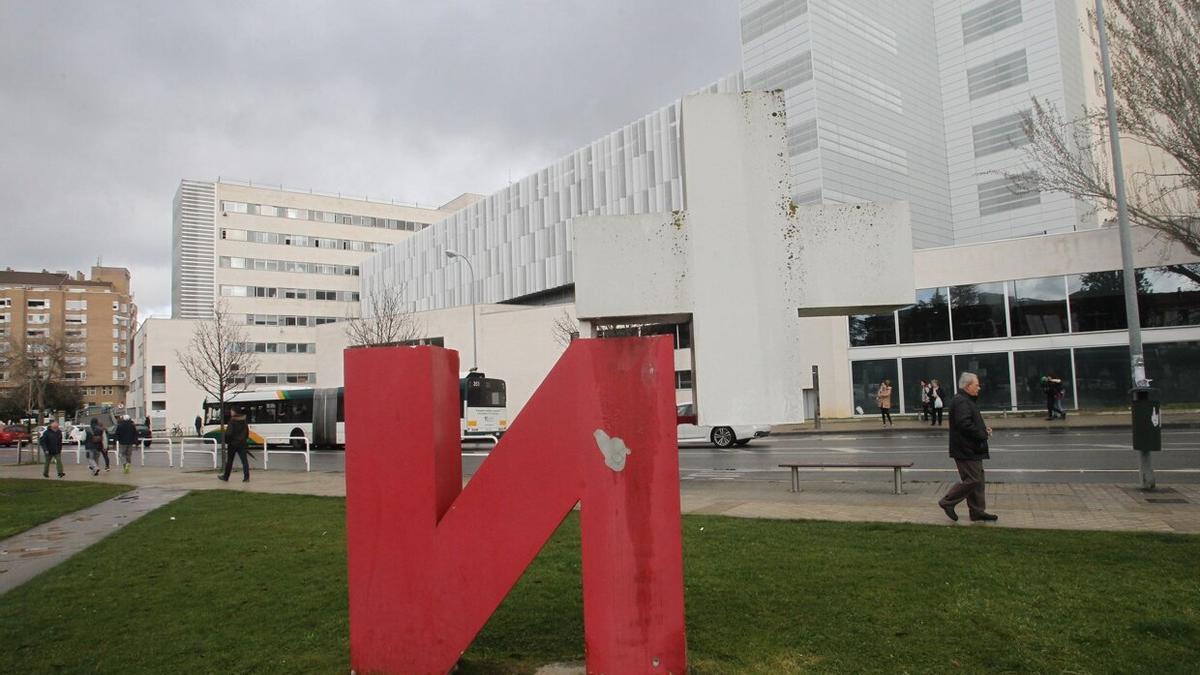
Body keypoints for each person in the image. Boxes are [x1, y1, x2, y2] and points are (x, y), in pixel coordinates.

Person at [938, 372, 998, 522]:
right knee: (973, 479)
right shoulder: (961, 401)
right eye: (976, 385)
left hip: (972, 448)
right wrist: (981, 434)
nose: (979, 388)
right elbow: (964, 424)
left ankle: (977, 512)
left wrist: (984, 430)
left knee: (978, 480)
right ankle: (947, 502)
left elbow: (969, 422)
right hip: (966, 449)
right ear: (968, 386)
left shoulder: (966, 400)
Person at [219, 406, 251, 483]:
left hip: (233, 444)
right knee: (244, 461)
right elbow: (247, 433)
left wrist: (227, 441)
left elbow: (229, 434)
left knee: (230, 461)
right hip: (242, 443)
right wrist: (244, 440)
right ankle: (246, 477)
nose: (230, 412)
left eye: (231, 411)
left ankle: (226, 477)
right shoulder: (244, 421)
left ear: (234, 412)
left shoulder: (232, 421)